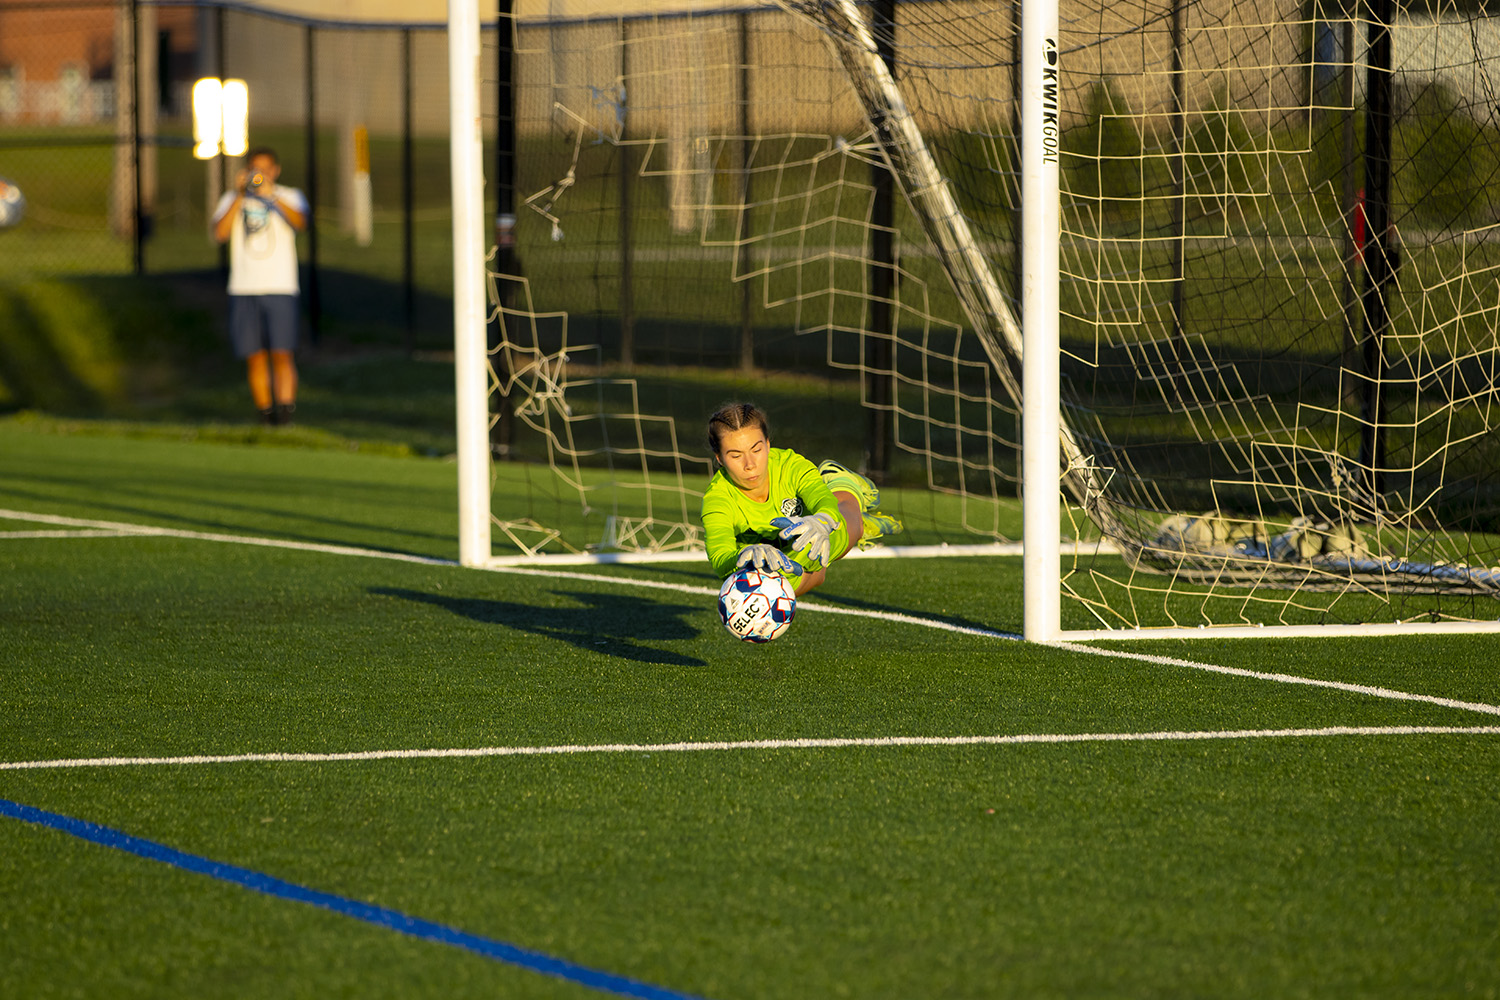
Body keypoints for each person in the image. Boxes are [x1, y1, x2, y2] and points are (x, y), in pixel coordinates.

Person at [701, 402, 903, 596]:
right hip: (776, 560)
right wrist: (743, 557)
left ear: (768, 445)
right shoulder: (717, 498)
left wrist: (822, 520)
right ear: (720, 458)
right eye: (736, 456)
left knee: (841, 526)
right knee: (774, 586)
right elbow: (721, 557)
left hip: (813, 531)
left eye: (756, 450)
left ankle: (843, 486)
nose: (750, 464)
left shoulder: (790, 465)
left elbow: (822, 499)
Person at [211, 146, 308, 425]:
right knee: (254, 356)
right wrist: (241, 194)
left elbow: (301, 222)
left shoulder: (289, 195)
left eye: (266, 170)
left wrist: (271, 196)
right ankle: (265, 416)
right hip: (244, 288)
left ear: (275, 171)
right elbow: (220, 233)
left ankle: (286, 416)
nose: (260, 175)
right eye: (256, 169)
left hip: (280, 286)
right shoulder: (232, 198)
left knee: (282, 353)